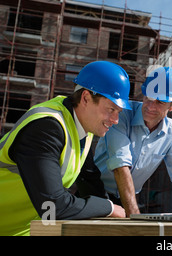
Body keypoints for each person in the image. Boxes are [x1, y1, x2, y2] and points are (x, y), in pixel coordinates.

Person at [0, 61, 130, 236]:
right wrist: (108, 208)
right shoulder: (45, 128)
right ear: (85, 98)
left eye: (119, 112)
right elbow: (53, 207)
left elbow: (89, 180)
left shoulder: (85, 129)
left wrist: (116, 214)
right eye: (111, 109)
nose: (115, 120)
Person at [93, 67, 172, 216]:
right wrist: (134, 216)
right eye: (148, 98)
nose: (150, 107)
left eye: (159, 102)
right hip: (95, 190)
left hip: (128, 198)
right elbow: (121, 165)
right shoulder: (121, 115)